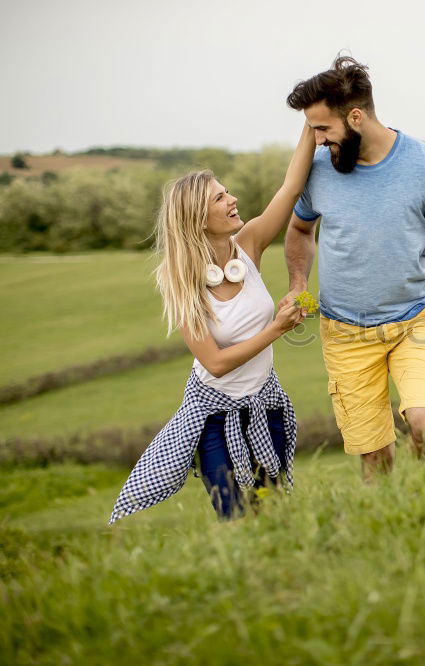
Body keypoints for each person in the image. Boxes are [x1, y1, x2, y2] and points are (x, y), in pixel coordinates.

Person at [283, 56, 425, 482]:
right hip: (343, 332)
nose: (314, 141)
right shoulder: (318, 169)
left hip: (413, 322)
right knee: (375, 459)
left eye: (322, 129)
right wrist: (297, 285)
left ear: (356, 117)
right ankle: (394, 524)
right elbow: (299, 231)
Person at [109, 126, 315, 524]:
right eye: (220, 198)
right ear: (196, 218)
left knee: (275, 512)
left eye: (227, 191)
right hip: (215, 419)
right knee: (236, 516)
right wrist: (277, 328)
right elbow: (216, 363)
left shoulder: (250, 244)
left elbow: (290, 189)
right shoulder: (181, 280)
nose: (232, 199)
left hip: (263, 404)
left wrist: (310, 124)